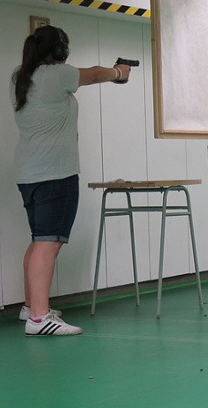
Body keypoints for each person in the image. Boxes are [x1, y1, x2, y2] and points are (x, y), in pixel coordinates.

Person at [12, 24, 132, 336]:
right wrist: (119, 73)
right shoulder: (57, 74)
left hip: (28, 173)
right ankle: (39, 318)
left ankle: (31, 306)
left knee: (39, 240)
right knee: (48, 243)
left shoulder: (21, 76)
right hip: (55, 173)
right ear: (60, 51)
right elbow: (93, 74)